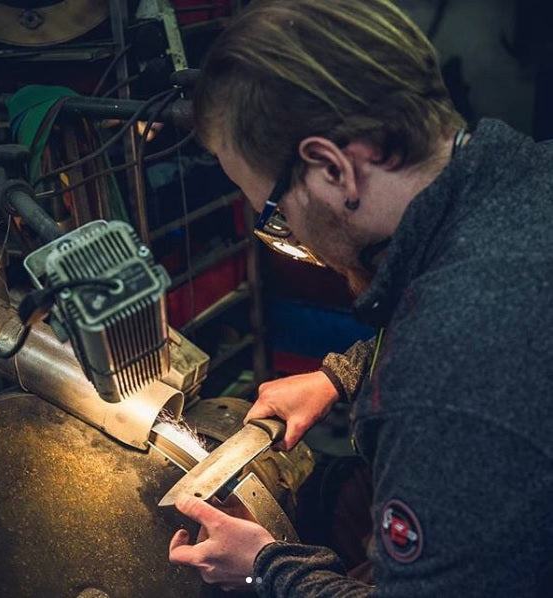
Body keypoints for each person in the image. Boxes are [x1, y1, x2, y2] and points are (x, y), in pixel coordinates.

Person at [167, 0, 553, 595]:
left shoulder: (445, 380)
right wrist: (343, 375)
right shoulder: (523, 178)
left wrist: (265, 568)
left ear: (332, 168)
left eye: (275, 210)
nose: (291, 233)